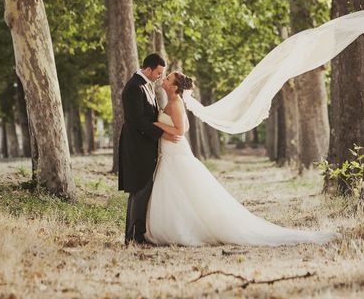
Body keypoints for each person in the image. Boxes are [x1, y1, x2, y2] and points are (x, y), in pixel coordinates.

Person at [144, 71, 336, 246]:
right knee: (179, 192)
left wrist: (156, 126)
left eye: (168, 78)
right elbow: (182, 127)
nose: (164, 79)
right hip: (171, 153)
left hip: (176, 153)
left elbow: (180, 129)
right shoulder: (171, 102)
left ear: (175, 87)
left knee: (182, 190)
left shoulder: (175, 103)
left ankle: (183, 230)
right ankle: (179, 225)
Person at [118, 53, 180, 245]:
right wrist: (163, 134)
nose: (160, 76)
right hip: (136, 146)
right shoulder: (134, 87)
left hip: (145, 146)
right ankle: (134, 236)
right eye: (158, 73)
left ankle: (135, 235)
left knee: (141, 190)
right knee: (139, 189)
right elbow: (138, 121)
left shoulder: (147, 85)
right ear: (148, 69)